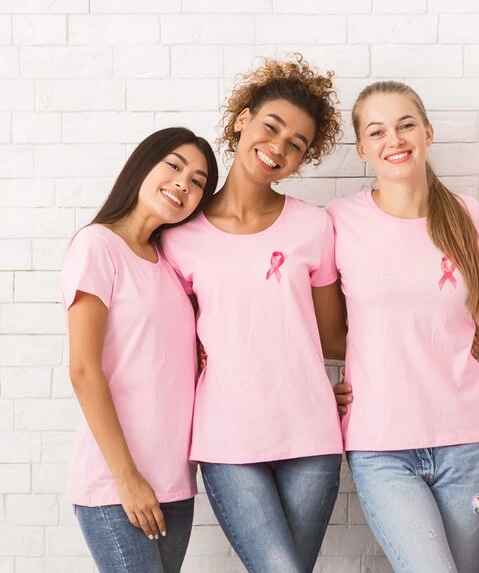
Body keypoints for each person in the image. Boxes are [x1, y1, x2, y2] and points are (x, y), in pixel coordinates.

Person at [159, 55, 345, 573]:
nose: (278, 147)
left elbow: (334, 339)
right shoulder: (178, 236)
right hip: (227, 438)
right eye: (272, 127)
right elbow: (174, 342)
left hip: (311, 436)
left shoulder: (314, 227)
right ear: (243, 119)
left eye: (296, 144)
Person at [325, 81, 479, 573]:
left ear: (427, 131)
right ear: (361, 148)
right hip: (381, 446)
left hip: (468, 443)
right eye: (376, 131)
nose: (394, 140)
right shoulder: (339, 221)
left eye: (405, 125)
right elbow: (328, 331)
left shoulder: (467, 215)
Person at [64, 128, 218, 573]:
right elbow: (84, 370)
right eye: (173, 166)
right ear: (142, 166)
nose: (183, 184)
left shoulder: (169, 262)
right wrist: (127, 479)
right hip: (117, 486)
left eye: (197, 181)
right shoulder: (98, 246)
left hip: (174, 483)